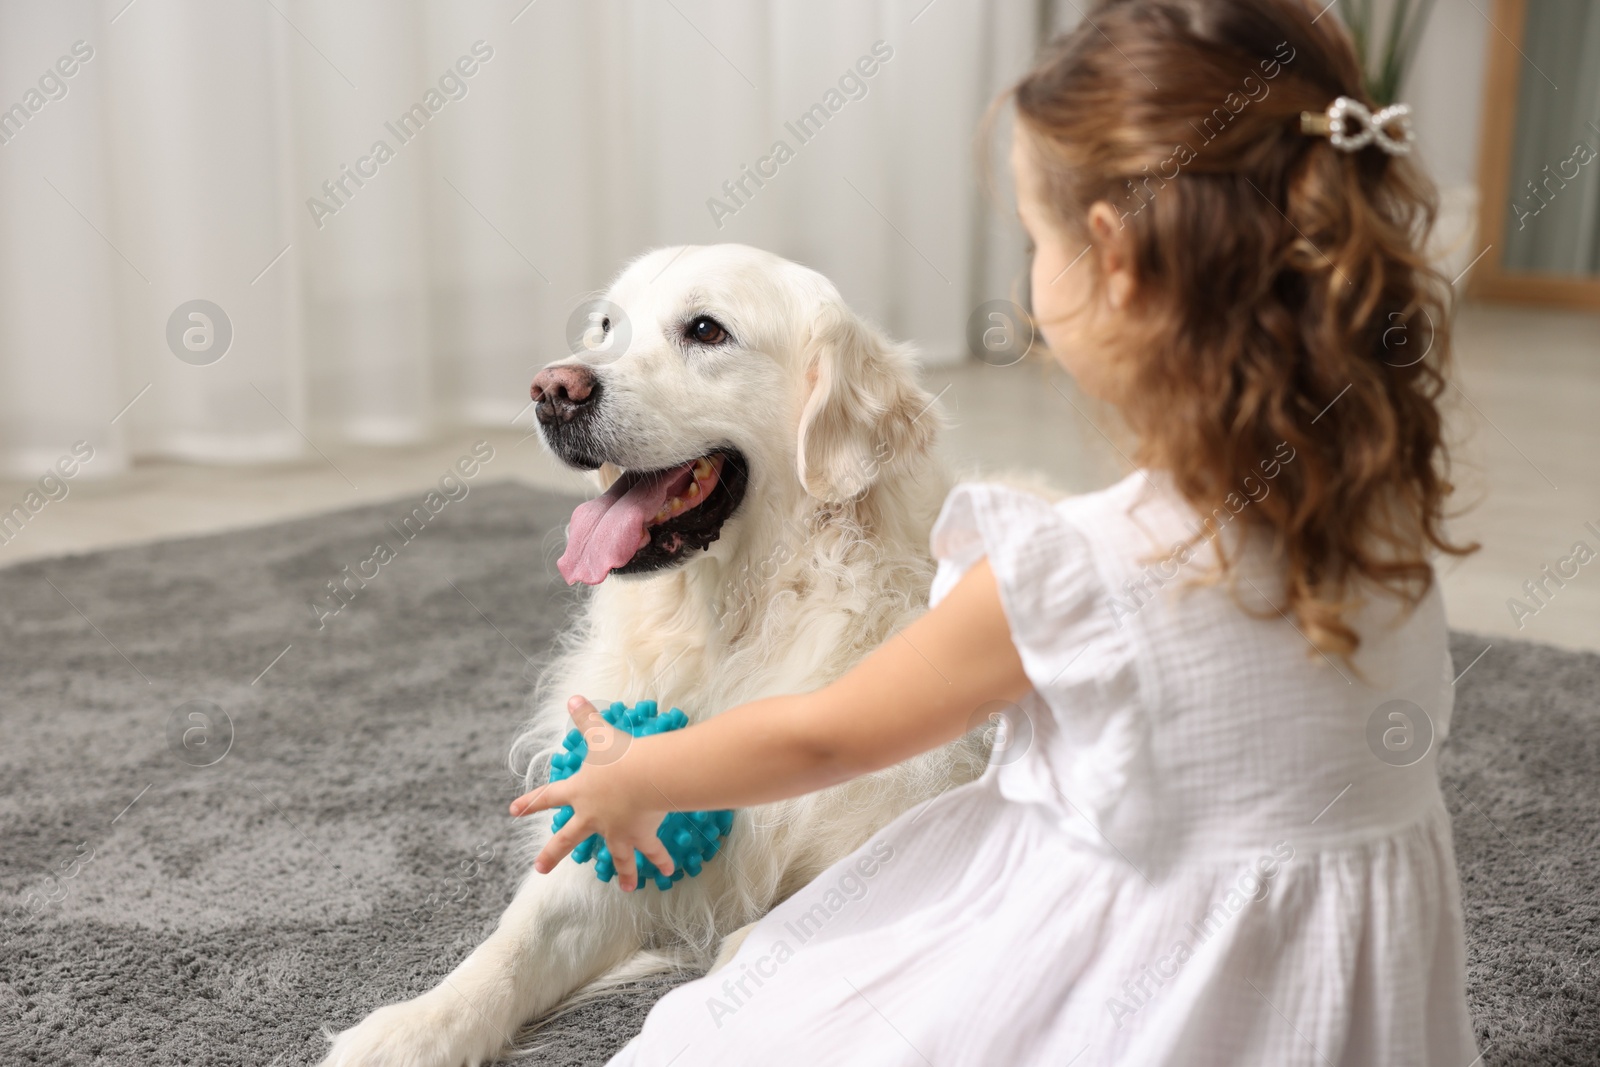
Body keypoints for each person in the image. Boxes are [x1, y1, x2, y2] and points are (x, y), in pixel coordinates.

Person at [512, 1, 1481, 1061]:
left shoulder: (1066, 568)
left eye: (1034, 236)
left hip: (1145, 991)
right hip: (1355, 1000)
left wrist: (640, 776)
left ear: (1109, 258)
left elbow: (822, 734)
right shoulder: (1387, 532)